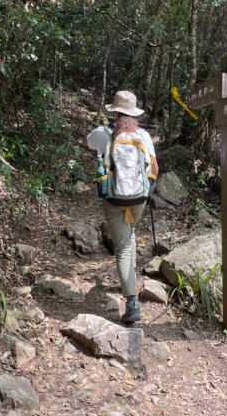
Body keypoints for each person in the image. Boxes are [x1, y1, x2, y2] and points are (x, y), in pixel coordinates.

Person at [85, 91, 158, 323]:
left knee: (124, 247)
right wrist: (148, 191)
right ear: (134, 115)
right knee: (129, 236)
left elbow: (86, 143)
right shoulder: (144, 136)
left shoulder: (101, 133)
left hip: (114, 199)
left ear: (115, 113)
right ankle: (130, 283)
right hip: (138, 198)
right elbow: (154, 168)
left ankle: (132, 302)